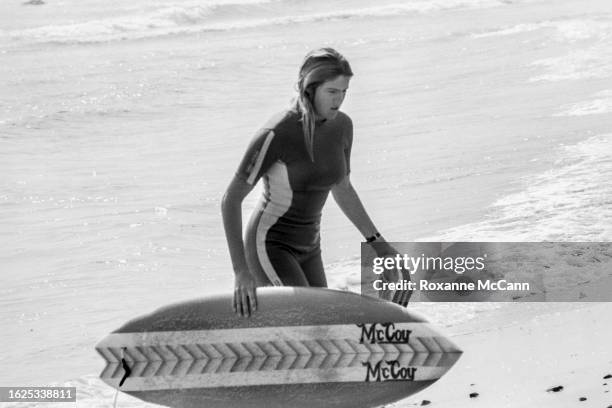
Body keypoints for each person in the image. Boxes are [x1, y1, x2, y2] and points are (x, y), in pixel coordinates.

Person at [222, 48, 410, 317]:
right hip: (271, 244)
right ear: (310, 89)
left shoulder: (342, 127)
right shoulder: (277, 132)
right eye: (332, 92)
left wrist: (380, 246)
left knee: (322, 320)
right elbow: (231, 199)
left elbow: (342, 188)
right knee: (309, 317)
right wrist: (241, 272)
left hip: (310, 247)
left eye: (344, 91)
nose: (340, 100)